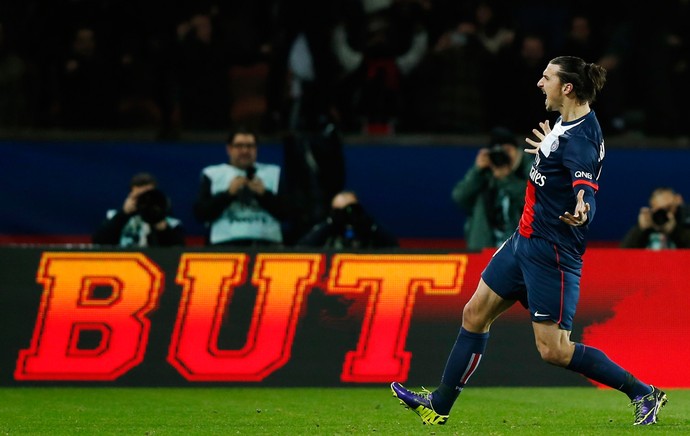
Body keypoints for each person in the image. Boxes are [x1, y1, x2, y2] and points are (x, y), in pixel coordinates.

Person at [391, 56, 668, 426]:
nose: (540, 83)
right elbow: (562, 166)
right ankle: (439, 404)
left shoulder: (581, 140)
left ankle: (643, 392)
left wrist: (583, 207)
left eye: (547, 77)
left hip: (551, 252)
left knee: (554, 350)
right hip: (523, 240)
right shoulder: (566, 123)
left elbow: (586, 188)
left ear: (567, 88)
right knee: (474, 314)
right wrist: (546, 150)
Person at [193, 127, 287, 246]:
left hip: (266, 244)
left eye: (250, 146)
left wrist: (264, 195)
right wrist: (228, 195)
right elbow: (201, 215)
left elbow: (287, 213)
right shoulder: (212, 174)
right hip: (224, 245)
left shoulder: (273, 173)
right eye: (239, 146)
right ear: (229, 149)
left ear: (256, 149)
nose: (244, 151)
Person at [451, 126, 532, 250]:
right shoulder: (484, 173)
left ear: (517, 151)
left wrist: (506, 178)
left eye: (507, 150)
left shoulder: (530, 169)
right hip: (483, 249)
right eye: (498, 151)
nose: (503, 155)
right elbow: (459, 197)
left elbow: (533, 199)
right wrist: (476, 171)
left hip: (518, 251)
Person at [92, 172, 185, 247]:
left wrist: (162, 226)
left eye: (149, 196)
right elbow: (99, 242)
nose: (144, 200)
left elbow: (178, 252)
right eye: (139, 197)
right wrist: (123, 214)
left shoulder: (172, 224)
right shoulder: (114, 217)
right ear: (130, 196)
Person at [295, 190, 398, 249]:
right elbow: (301, 248)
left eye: (350, 209)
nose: (346, 216)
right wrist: (329, 225)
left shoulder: (368, 228)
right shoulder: (328, 231)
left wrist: (371, 225)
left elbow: (394, 246)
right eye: (338, 211)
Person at [620, 186, 690, 249]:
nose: (665, 213)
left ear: (678, 200)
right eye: (659, 210)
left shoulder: (685, 219)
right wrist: (640, 230)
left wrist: (675, 230)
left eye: (668, 208)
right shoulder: (650, 224)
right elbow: (623, 253)